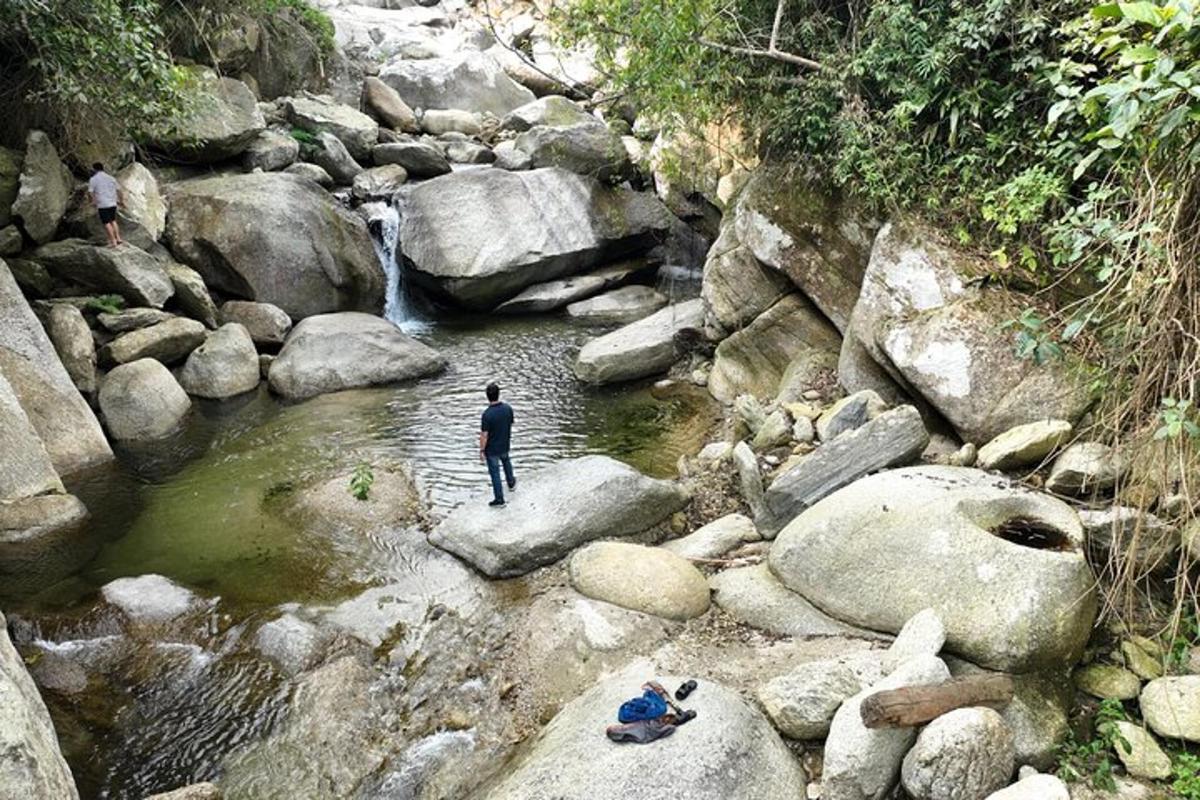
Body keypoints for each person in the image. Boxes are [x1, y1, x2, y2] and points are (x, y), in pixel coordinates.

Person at [479, 382, 515, 507]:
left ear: (487, 396)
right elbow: (510, 423)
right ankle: (511, 483)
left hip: (492, 449)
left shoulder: (487, 414)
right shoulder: (508, 408)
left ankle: (499, 499)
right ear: (498, 394)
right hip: (504, 443)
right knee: (506, 461)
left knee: (495, 473)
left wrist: (482, 450)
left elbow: (484, 435)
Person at [87, 163, 123, 248]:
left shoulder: (93, 179)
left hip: (102, 204)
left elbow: (90, 192)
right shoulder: (111, 178)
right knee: (113, 221)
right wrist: (121, 201)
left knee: (106, 223)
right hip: (112, 203)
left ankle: (113, 241)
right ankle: (118, 238)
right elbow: (119, 190)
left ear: (94, 169)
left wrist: (93, 201)